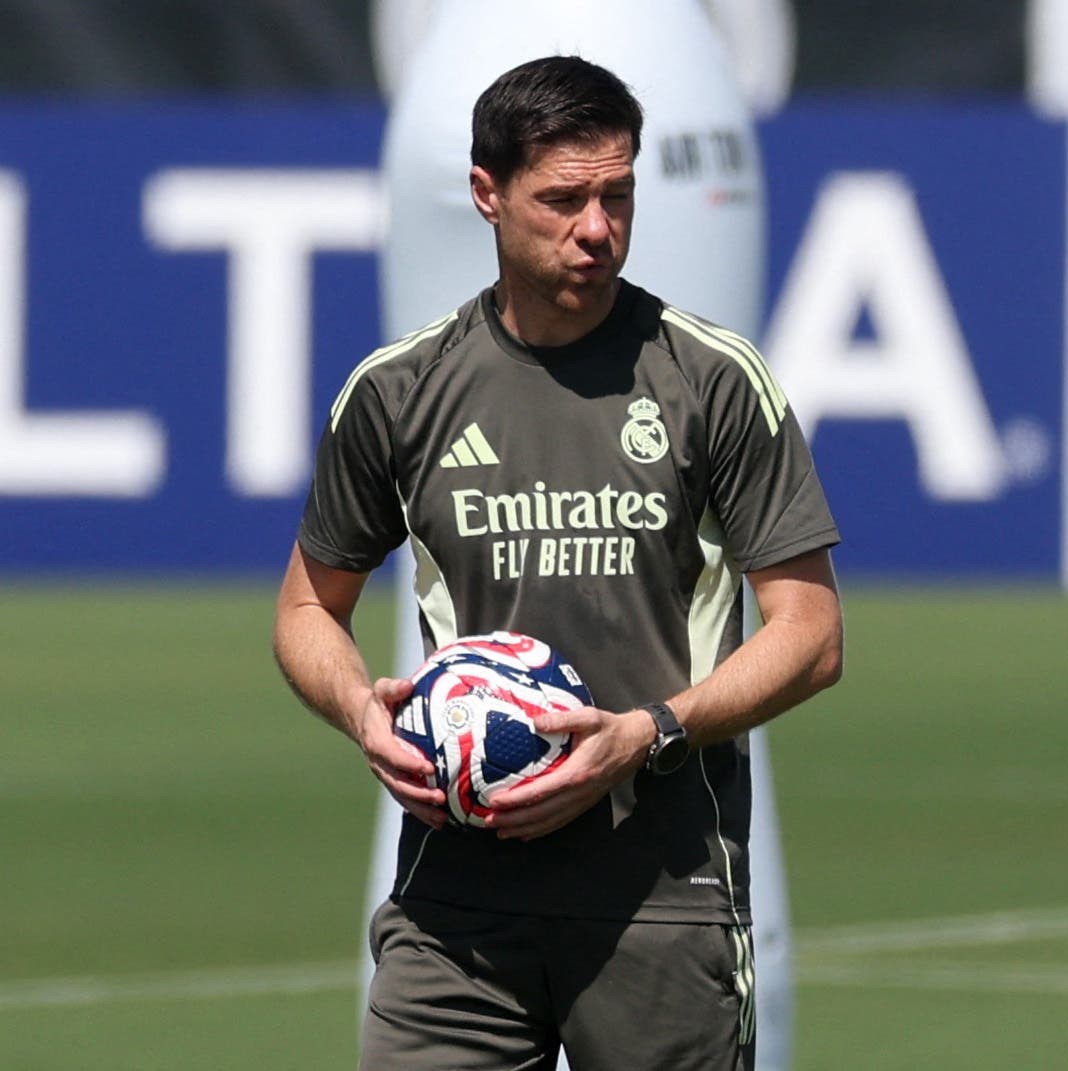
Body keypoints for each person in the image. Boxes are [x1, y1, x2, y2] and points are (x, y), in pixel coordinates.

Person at [273, 55, 842, 1071]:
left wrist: (648, 732)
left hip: (662, 901)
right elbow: (308, 610)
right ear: (486, 196)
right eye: (563, 199)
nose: (597, 228)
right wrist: (363, 710)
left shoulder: (712, 380)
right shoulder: (398, 393)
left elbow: (811, 637)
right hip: (454, 909)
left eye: (617, 196)